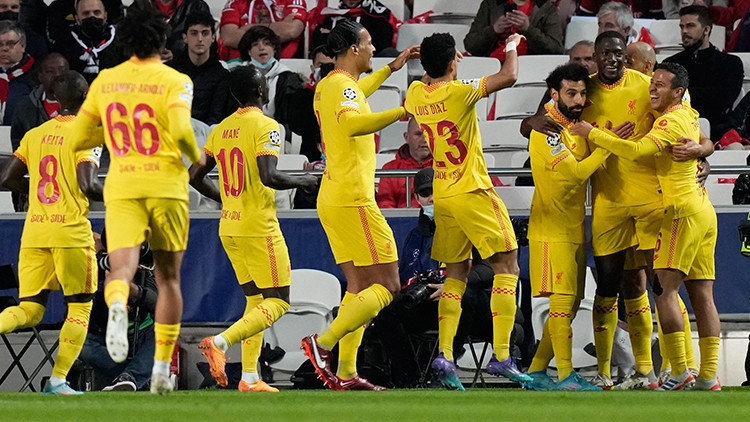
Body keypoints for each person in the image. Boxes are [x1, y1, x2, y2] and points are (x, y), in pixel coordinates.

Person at [69, 0, 204, 395]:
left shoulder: (105, 82)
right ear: (162, 41)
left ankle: (116, 304)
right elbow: (182, 131)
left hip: (123, 186)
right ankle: (160, 368)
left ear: (125, 40)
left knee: (121, 270)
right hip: (166, 187)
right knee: (168, 280)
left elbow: (78, 139)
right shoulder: (176, 81)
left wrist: (111, 133)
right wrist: (196, 158)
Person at [570, 61, 722, 391]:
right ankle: (708, 376)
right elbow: (703, 140)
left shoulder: (668, 120)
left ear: (677, 92)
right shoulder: (688, 112)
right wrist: (703, 149)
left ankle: (678, 372)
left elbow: (638, 151)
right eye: (651, 83)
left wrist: (593, 133)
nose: (651, 89)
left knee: (664, 292)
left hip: (679, 211)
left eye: (659, 85)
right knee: (702, 295)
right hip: (703, 209)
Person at [403, 31, 532, 390]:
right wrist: (510, 46)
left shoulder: (415, 95)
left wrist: (437, 61)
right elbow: (509, 76)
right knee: (508, 265)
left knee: (456, 274)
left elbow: (427, 77)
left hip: (443, 194)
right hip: (472, 189)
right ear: (451, 62)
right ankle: (503, 355)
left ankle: (445, 356)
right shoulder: (459, 92)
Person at [300, 19, 419, 391]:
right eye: (368, 43)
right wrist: (403, 111)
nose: (373, 48)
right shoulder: (341, 87)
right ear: (354, 49)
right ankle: (323, 343)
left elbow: (357, 94)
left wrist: (391, 68)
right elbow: (352, 124)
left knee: (358, 287)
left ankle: (348, 372)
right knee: (389, 286)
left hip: (334, 196)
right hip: (354, 199)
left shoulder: (330, 84)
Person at [189, 65, 318, 393]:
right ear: (263, 92)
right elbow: (269, 175)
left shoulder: (220, 129)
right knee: (280, 302)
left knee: (256, 300)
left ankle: (249, 376)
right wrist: (305, 180)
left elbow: (194, 176)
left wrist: (226, 198)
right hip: (259, 227)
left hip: (230, 225)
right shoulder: (267, 126)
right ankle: (220, 341)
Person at [0, 70, 103, 395]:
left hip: (35, 232)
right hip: (70, 232)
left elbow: (7, 179)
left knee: (29, 309)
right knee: (80, 306)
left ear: (56, 99)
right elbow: (88, 184)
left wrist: (36, 195)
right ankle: (58, 381)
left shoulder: (35, 134)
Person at [524, 63, 610, 391]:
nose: (578, 100)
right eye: (571, 93)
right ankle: (565, 375)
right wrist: (608, 145)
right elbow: (575, 174)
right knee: (561, 304)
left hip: (573, 228)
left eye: (582, 93)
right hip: (550, 230)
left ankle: (536, 371)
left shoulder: (574, 126)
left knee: (571, 306)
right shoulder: (547, 128)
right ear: (554, 93)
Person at [79, 229, 157, 392]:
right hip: (104, 335)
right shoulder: (94, 261)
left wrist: (134, 291)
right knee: (79, 343)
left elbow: (157, 301)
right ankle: (133, 377)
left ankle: (131, 377)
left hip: (141, 333)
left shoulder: (147, 262)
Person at [664, 5, 744, 141]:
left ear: (706, 30)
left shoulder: (730, 63)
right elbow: (664, 98)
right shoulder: (670, 64)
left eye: (690, 26)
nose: (684, 31)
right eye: (682, 27)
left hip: (717, 131)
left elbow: (723, 100)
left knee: (735, 148)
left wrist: (682, 93)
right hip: (675, 129)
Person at [8, 52, 68, 212]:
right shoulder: (25, 108)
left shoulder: (84, 107)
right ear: (40, 75)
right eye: (50, 71)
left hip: (74, 188)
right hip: (38, 187)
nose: (57, 76)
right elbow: (18, 149)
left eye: (62, 70)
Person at [168, 11, 231, 126]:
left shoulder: (222, 76)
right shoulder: (169, 71)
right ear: (185, 37)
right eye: (194, 33)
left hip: (208, 134)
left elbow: (216, 116)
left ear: (213, 38)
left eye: (205, 33)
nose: (200, 39)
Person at [233, 25, 305, 125]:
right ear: (249, 52)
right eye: (255, 44)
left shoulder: (288, 79)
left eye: (266, 43)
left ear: (274, 48)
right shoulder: (237, 77)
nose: (261, 48)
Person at [463, 0, 563, 60]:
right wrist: (494, 30)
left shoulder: (547, 8)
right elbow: (471, 45)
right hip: (493, 63)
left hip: (529, 64)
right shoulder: (491, 4)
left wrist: (528, 29)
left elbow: (556, 49)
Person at [54, 0, 123, 83]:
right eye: (86, 13)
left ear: (105, 16)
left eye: (96, 12)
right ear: (77, 18)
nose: (92, 17)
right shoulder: (65, 42)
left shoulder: (120, 41)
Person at [219, 0, 307, 62]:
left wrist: (247, 28)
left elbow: (291, 31)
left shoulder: (292, 1)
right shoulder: (235, 2)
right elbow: (229, 38)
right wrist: (278, 26)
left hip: (285, 64)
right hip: (242, 65)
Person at [308, 0, 401, 57]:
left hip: (368, 63)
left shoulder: (378, 17)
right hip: (334, 63)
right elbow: (318, 43)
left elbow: (381, 45)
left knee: (390, 53)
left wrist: (336, 36)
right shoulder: (328, 17)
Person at [376, 117, 433, 209]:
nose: (424, 139)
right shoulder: (390, 169)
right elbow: (386, 207)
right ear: (407, 137)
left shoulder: (446, 166)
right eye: (418, 134)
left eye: (428, 134)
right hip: (402, 218)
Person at [0, 20, 37, 126]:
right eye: (0, 44)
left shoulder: (36, 74)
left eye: (10, 44)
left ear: (23, 46)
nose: (4, 48)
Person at [46, 0, 123, 48]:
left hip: (107, 48)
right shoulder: (58, 7)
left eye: (96, 12)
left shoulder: (113, 3)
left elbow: (119, 30)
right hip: (72, 51)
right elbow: (53, 38)